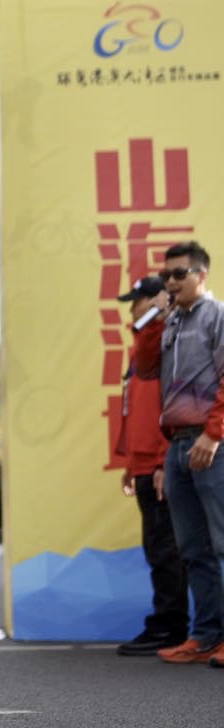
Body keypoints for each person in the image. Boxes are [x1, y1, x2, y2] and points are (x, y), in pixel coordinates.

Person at [153, 241, 224, 666]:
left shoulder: (218, 316)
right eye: (166, 276)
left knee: (222, 542)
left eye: (179, 274)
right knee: (193, 548)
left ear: (202, 274)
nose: (171, 282)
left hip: (212, 444)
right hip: (178, 444)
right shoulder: (170, 323)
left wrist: (213, 434)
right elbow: (148, 371)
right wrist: (152, 322)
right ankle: (207, 635)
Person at [112, 274, 188, 655]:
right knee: (157, 548)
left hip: (160, 464)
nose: (133, 309)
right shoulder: (143, 345)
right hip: (143, 464)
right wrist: (131, 462)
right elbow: (135, 410)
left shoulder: (167, 340)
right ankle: (167, 622)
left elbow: (174, 406)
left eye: (139, 301)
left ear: (159, 300)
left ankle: (171, 627)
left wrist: (162, 462)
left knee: (166, 549)